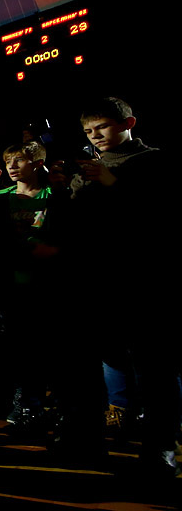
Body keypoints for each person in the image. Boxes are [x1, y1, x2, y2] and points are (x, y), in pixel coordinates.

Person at [60, 97, 179, 476]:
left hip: (144, 284)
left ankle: (161, 446)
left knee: (155, 368)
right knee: (88, 366)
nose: (96, 137)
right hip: (93, 283)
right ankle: (88, 440)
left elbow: (161, 221)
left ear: (128, 121)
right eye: (89, 131)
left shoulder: (154, 161)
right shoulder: (86, 169)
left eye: (103, 127)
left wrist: (113, 184)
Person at [0, 141, 63, 436]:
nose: (11, 167)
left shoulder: (54, 194)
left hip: (46, 283)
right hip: (7, 284)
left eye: (19, 161)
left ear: (37, 164)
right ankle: (25, 404)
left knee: (47, 348)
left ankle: (53, 406)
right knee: (16, 348)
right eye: (8, 162)